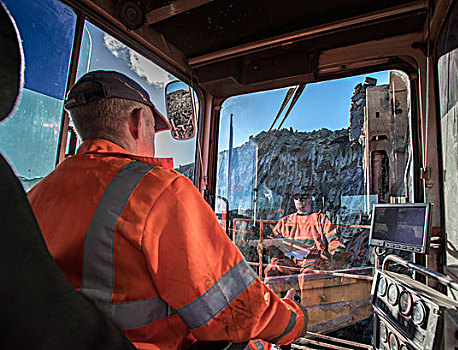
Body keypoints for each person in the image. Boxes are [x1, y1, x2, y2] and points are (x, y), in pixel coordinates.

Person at [28, 70, 307, 350]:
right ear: (137, 122)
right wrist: (293, 322)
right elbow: (233, 311)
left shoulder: (34, 197)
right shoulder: (157, 190)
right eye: (153, 130)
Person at [264, 188, 349, 287]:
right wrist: (266, 247)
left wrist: (336, 253)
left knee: (308, 277)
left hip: (312, 260)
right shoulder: (285, 221)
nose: (300, 200)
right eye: (297, 198)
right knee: (272, 271)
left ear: (310, 199)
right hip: (289, 260)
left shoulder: (320, 219)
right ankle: (272, 300)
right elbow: (274, 240)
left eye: (303, 197)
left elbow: (333, 240)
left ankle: (307, 302)